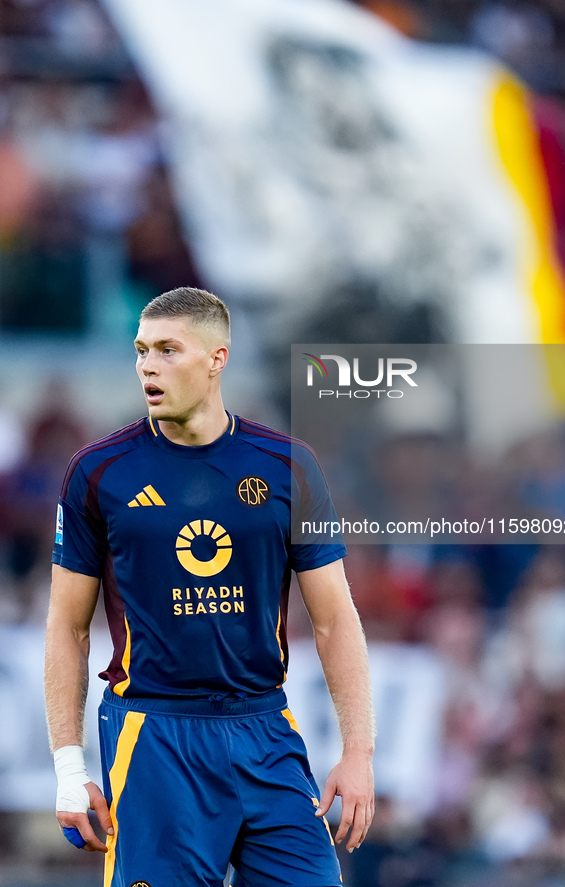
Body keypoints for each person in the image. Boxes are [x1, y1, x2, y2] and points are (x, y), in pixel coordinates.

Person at [44, 286, 375, 887]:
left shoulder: (290, 466)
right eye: (141, 350)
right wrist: (69, 767)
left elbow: (334, 620)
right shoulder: (98, 472)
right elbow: (67, 626)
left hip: (265, 730)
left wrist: (358, 753)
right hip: (154, 736)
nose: (148, 365)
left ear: (217, 358)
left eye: (169, 350)